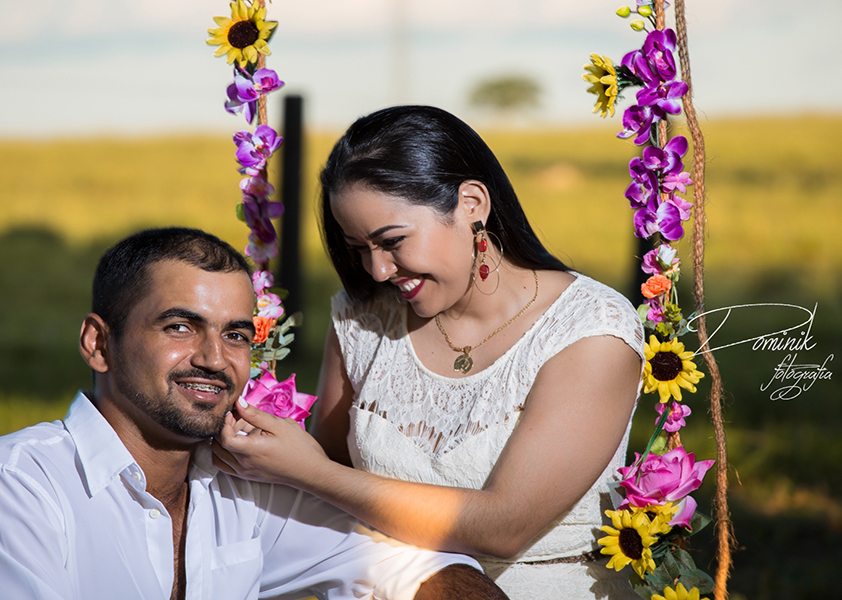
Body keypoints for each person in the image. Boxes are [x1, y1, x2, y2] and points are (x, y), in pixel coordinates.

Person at [213, 106, 646, 599]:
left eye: (391, 241)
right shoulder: (362, 319)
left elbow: (506, 526)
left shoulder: (589, 330)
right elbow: (333, 482)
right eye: (358, 247)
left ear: (472, 204)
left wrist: (311, 472)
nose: (377, 270)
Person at [0, 227, 509, 600]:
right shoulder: (11, 485)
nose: (215, 359)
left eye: (237, 334)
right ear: (99, 344)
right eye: (180, 326)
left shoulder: (241, 488)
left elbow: (407, 569)